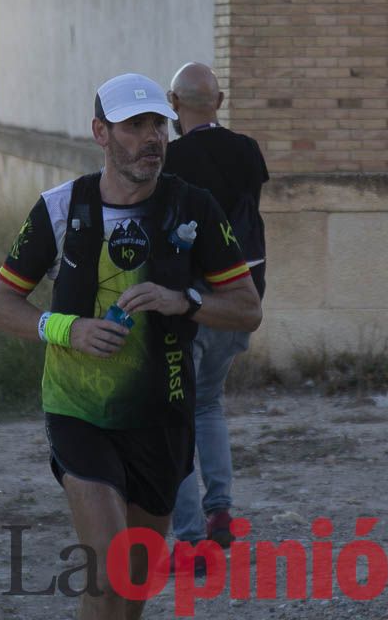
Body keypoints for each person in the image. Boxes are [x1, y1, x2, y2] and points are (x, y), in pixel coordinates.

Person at [0, 72, 262, 619]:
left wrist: (185, 299)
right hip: (78, 409)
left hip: (163, 413)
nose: (152, 137)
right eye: (134, 125)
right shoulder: (60, 209)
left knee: (133, 583)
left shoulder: (194, 208)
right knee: (111, 565)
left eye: (158, 123)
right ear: (101, 133)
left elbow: (248, 307)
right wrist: (68, 328)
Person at [162, 62, 269, 559]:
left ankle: (188, 537)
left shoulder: (171, 159)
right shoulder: (248, 151)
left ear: (172, 102)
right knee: (208, 403)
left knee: (175, 414)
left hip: (191, 303)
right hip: (243, 296)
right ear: (220, 102)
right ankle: (220, 509)